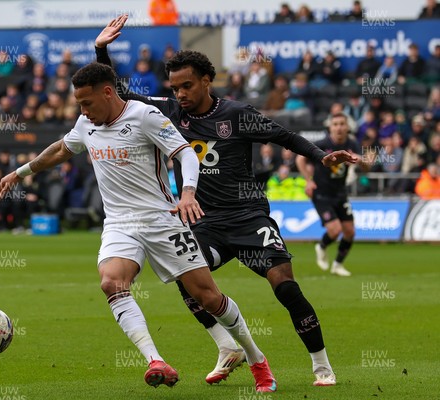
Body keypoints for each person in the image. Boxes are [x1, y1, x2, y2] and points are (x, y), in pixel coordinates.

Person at [95, 15, 357, 387]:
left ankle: (321, 364)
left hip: (250, 217)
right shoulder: (170, 111)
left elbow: (286, 138)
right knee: (189, 283)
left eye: (187, 86)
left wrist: (321, 154)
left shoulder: (237, 115)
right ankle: (225, 346)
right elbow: (119, 93)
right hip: (206, 222)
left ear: (206, 80)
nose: (180, 94)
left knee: (285, 287)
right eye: (175, 88)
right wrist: (101, 49)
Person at [0, 62, 277, 392]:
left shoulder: (145, 116)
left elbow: (186, 154)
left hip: (161, 219)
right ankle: (155, 361)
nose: (83, 111)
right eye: (79, 104)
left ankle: (257, 360)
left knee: (207, 296)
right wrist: (21, 172)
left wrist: (187, 193)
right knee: (112, 283)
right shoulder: (86, 123)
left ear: (108, 92)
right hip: (119, 223)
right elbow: (61, 149)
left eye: (87, 102)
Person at [296, 113, 364, 277]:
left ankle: (338, 265)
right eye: (335, 124)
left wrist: (362, 161)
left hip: (340, 193)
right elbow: (300, 159)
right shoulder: (322, 144)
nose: (339, 127)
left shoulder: (352, 143)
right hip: (322, 193)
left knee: (350, 232)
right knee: (335, 231)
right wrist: (308, 181)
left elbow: (364, 166)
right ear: (330, 127)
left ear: (347, 127)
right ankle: (321, 246)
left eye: (342, 124)